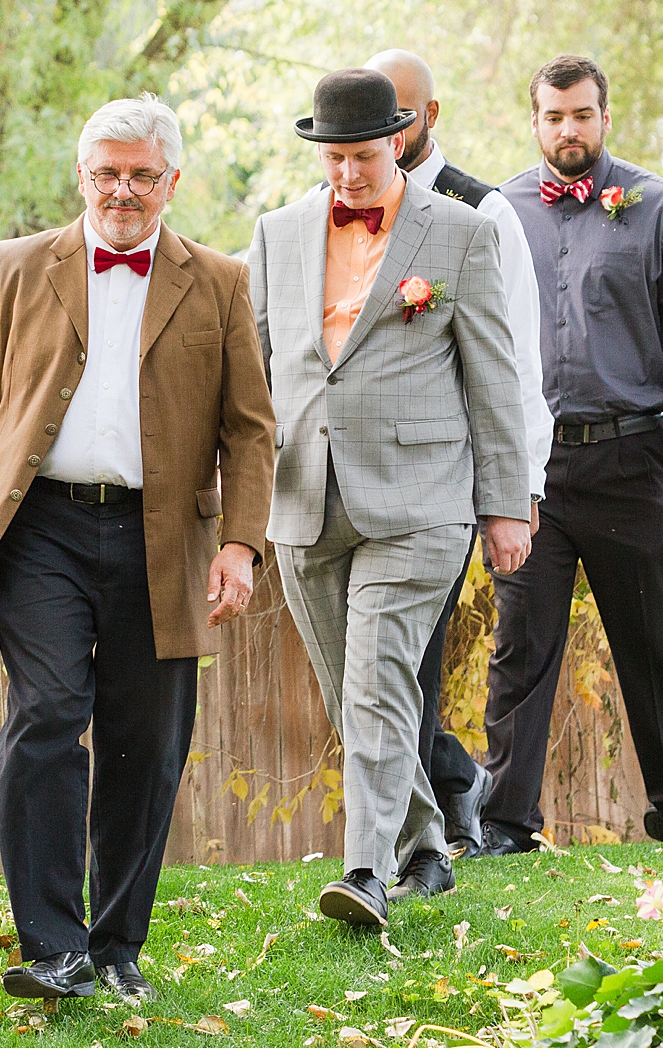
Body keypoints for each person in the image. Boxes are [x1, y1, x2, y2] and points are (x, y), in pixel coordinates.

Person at [0, 95, 275, 1003]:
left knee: (144, 742)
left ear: (171, 182)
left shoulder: (223, 282)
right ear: (82, 177)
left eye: (141, 175)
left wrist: (240, 544)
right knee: (46, 716)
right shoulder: (12, 268)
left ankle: (116, 947)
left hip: (164, 538)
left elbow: (251, 431)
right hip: (39, 529)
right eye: (107, 173)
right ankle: (52, 945)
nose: (123, 190)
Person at [248, 68, 533, 926]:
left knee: (375, 680)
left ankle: (366, 872)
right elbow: (255, 371)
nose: (347, 175)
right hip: (304, 496)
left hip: (420, 502)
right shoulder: (276, 233)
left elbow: (495, 377)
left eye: (363, 157)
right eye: (333, 159)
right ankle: (425, 842)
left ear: (398, 141)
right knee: (352, 693)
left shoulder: (459, 234)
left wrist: (507, 502)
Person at [479, 54, 663, 855]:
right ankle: (504, 822)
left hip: (632, 461)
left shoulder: (659, 208)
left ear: (604, 118)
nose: (568, 129)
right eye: (554, 117)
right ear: (534, 122)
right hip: (534, 470)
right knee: (523, 645)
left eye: (582, 114)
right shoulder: (499, 213)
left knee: (654, 642)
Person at [362, 48, 554, 861]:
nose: (387, 133)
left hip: (442, 484)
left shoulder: (483, 211)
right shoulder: (334, 204)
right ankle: (453, 779)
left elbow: (515, 361)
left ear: (430, 116)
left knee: (409, 655)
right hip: (351, 481)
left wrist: (515, 490)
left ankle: (417, 841)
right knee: (376, 667)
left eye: (400, 115)